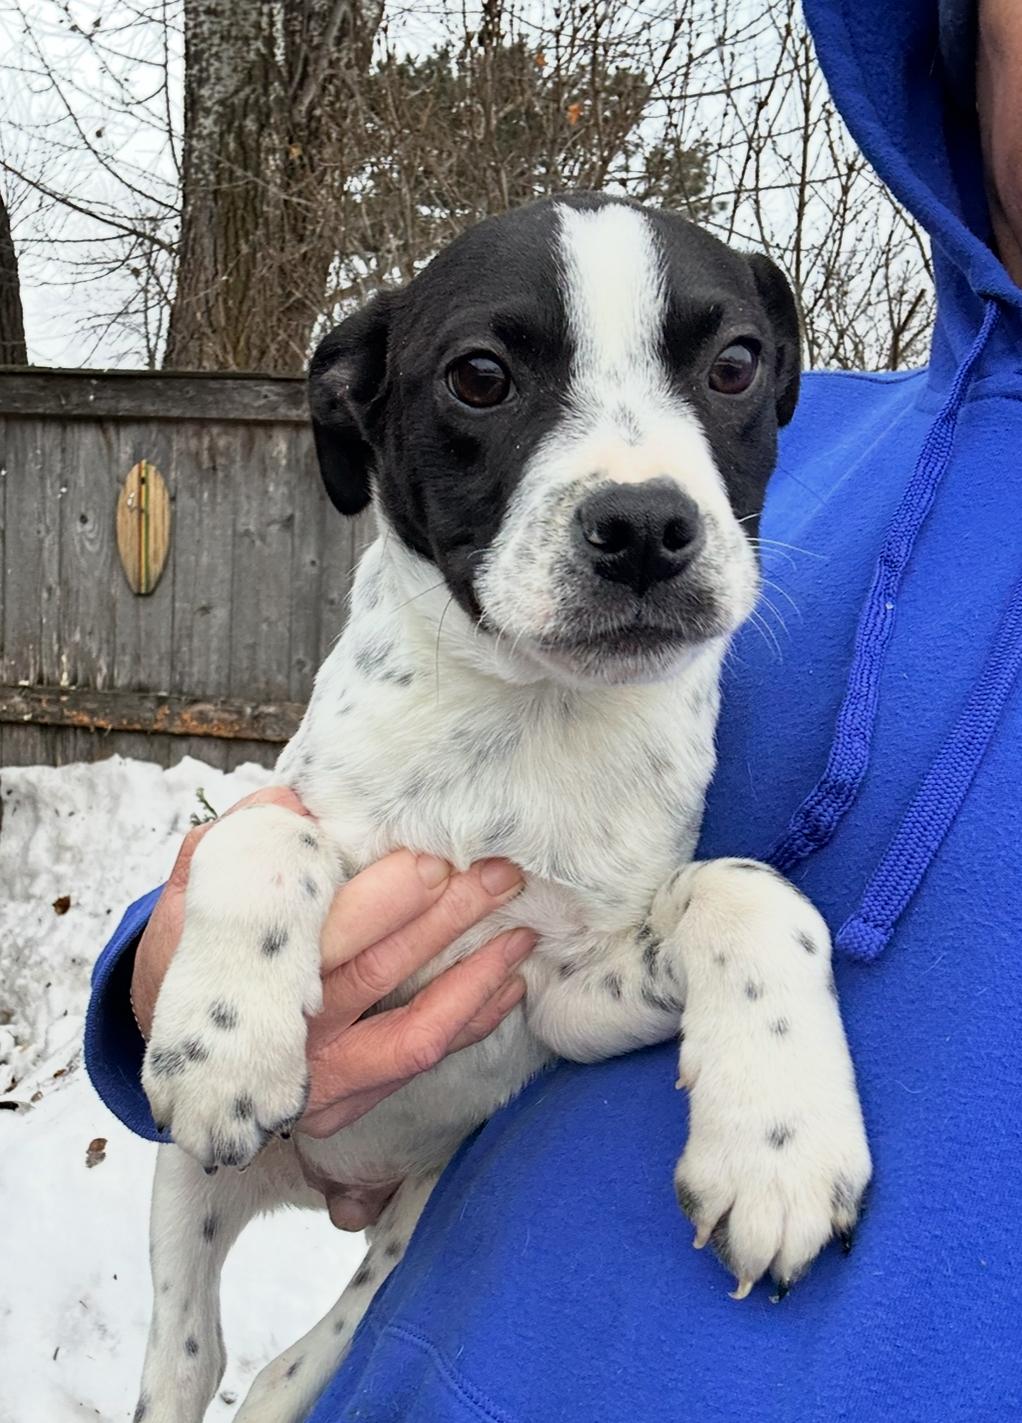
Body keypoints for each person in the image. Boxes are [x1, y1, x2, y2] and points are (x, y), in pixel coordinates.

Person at [86, 0, 1022, 1416]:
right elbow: (278, 878)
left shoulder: (744, 527)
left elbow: (575, 975)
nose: (640, 494)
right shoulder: (842, 459)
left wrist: (742, 934)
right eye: (487, 379)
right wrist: (162, 971)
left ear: (757, 384)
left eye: (714, 374)